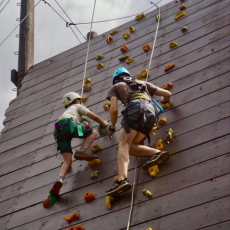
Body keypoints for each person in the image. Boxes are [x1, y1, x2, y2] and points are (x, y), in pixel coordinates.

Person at [105, 67, 171, 196]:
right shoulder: (143, 83)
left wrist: (112, 127)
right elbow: (167, 94)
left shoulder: (116, 87)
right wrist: (164, 101)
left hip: (134, 108)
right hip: (152, 112)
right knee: (130, 147)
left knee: (123, 144)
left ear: (115, 80)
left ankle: (122, 180)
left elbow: (113, 109)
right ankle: (157, 153)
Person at [49, 92, 108, 196]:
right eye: (81, 101)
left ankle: (60, 179)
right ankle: (82, 150)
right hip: (69, 124)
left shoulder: (67, 111)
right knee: (93, 132)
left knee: (67, 161)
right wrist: (104, 124)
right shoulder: (77, 106)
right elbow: (93, 116)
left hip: (58, 130)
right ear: (77, 101)